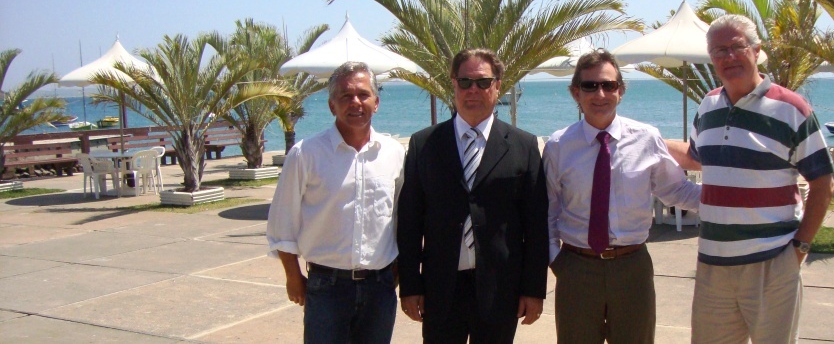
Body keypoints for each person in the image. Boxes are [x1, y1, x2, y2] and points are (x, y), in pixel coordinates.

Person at [687, 15, 834, 343]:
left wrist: (799, 248)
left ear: (756, 50)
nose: (728, 57)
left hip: (772, 263)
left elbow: (824, 182)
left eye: (737, 47)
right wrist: (646, 141)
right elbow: (698, 157)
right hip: (712, 266)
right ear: (711, 57)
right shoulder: (707, 106)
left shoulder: (791, 108)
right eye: (719, 50)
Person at [544, 49, 702, 344]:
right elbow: (548, 210)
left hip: (632, 268)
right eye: (590, 86)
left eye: (609, 85)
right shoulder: (558, 146)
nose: (600, 94)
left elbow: (677, 190)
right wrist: (557, 260)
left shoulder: (647, 138)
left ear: (621, 91)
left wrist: (730, 197)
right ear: (576, 93)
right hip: (577, 268)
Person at [397, 48, 548, 343]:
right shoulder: (423, 145)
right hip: (440, 289)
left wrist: (533, 290)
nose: (473, 90)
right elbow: (410, 222)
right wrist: (410, 286)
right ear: (454, 83)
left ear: (498, 85)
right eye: (465, 82)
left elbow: (536, 226)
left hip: (500, 290)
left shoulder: (524, 146)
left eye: (483, 82)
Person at [266, 62, 405, 344]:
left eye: (363, 95)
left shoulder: (394, 153)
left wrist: (398, 269)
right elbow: (282, 222)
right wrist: (293, 276)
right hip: (326, 287)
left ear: (376, 103)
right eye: (345, 96)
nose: (355, 102)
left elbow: (402, 217)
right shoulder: (306, 154)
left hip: (380, 288)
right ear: (332, 106)